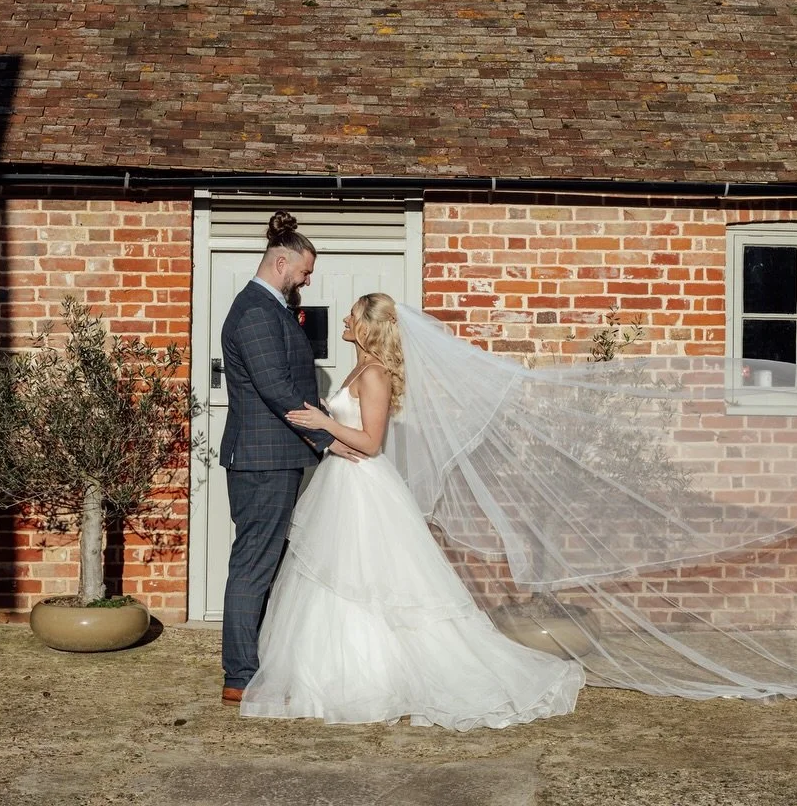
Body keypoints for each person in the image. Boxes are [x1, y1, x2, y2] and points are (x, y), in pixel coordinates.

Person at [239, 292, 585, 730]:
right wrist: (326, 421)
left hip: (362, 485)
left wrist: (324, 423)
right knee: (336, 575)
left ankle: (374, 675)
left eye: (351, 314)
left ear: (367, 325)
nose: (344, 319)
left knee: (365, 579)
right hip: (340, 481)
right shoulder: (359, 368)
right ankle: (331, 672)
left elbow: (371, 442)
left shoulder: (375, 374)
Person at [217, 211, 361, 708]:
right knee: (253, 565)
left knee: (266, 562)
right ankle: (240, 676)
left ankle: (257, 667)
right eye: (305, 271)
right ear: (281, 263)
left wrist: (325, 419)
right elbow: (275, 388)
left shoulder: (271, 307)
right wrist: (326, 439)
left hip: (274, 456)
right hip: (262, 461)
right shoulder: (256, 312)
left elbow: (289, 383)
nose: (307, 280)